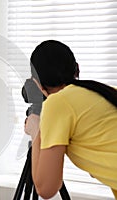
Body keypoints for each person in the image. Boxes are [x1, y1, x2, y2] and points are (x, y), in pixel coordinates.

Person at [24, 40, 117, 199]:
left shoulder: (58, 103)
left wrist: (36, 130)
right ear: (77, 68)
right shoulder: (106, 92)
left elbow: (46, 188)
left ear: (37, 83)